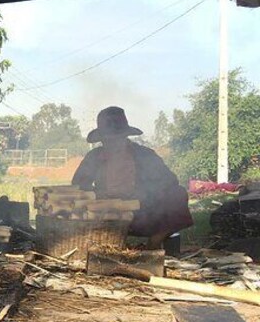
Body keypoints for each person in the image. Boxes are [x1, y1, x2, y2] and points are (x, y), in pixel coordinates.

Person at [72, 106, 193, 249]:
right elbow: (78, 185)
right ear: (102, 139)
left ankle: (156, 240)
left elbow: (170, 181)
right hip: (106, 211)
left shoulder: (144, 155)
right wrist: (98, 195)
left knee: (177, 193)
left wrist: (145, 194)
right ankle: (99, 242)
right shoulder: (94, 157)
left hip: (142, 212)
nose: (111, 142)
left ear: (124, 136)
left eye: (115, 138)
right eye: (107, 139)